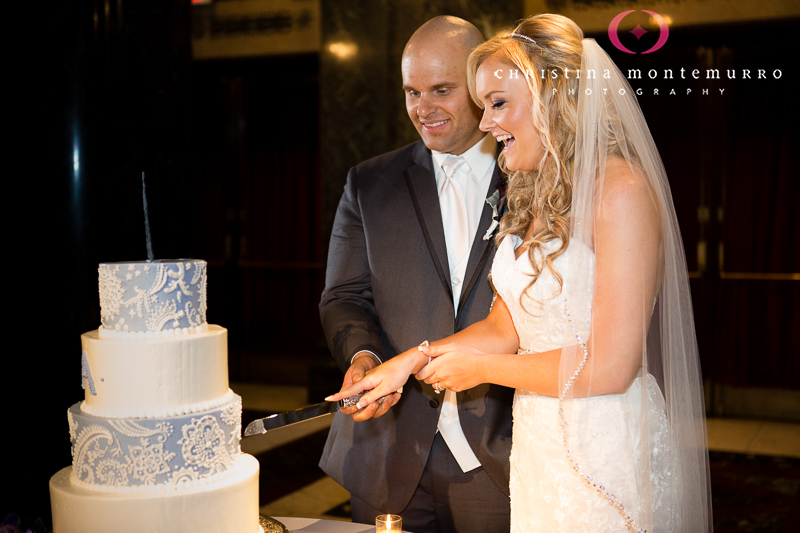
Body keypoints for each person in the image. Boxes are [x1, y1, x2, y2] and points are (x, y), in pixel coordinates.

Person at [329, 14, 712, 533]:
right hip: (540, 448)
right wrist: (409, 361)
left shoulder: (620, 192)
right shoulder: (536, 193)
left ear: (552, 98)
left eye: (497, 103)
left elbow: (613, 364)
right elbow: (504, 329)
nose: (486, 123)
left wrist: (481, 371)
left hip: (603, 445)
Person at [318, 16, 514, 533]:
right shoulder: (369, 184)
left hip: (503, 446)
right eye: (411, 92)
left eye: (442, 90)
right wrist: (364, 357)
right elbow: (344, 295)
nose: (422, 109)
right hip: (390, 448)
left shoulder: (531, 174)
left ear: (479, 85)